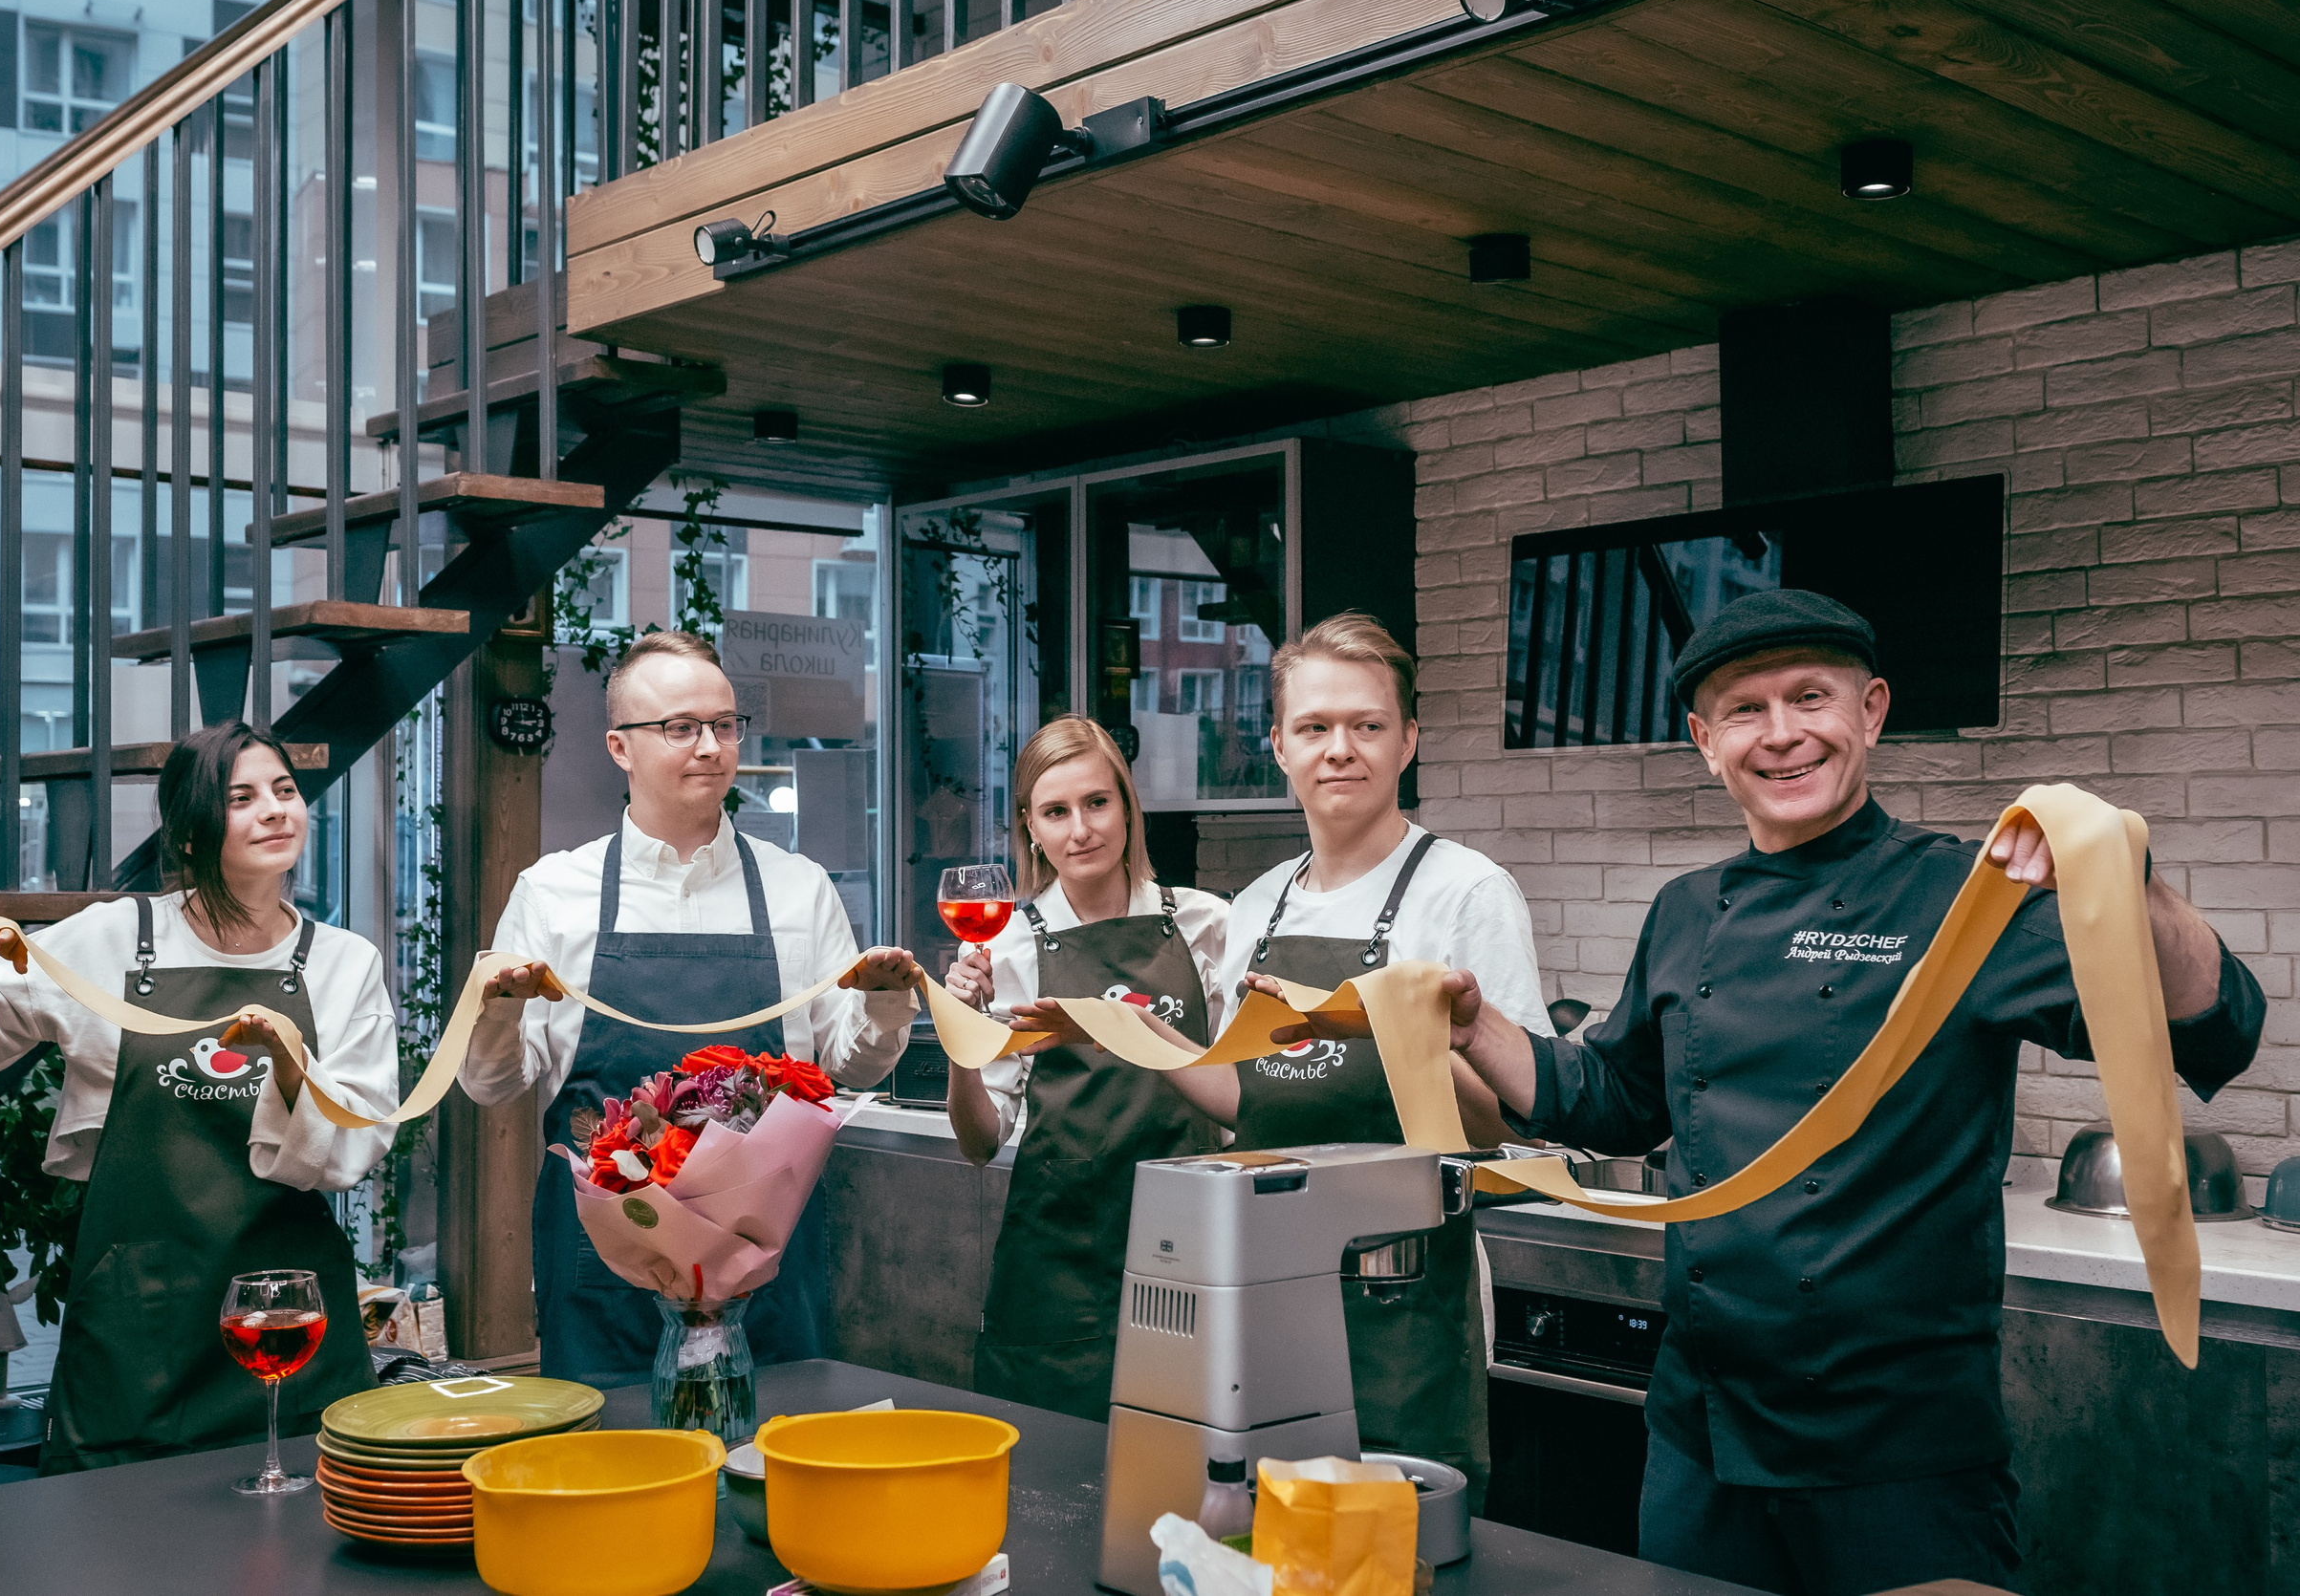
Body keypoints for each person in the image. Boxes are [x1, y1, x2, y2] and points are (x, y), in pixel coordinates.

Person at [1447, 589, 2266, 1596]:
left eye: (1809, 697)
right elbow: (1616, 1100)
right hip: (1699, 1441)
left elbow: (2218, 1028)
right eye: (1744, 710)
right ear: (1705, 740)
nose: (1781, 733)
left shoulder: (1964, 898)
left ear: (1870, 711)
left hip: (1899, 1455)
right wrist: (1469, 1026)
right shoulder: (1684, 909)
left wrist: (2124, 872)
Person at [0, 722, 399, 1473]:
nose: (277, 810)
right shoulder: (117, 939)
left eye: (285, 791)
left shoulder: (345, 962)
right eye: (242, 797)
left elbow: (357, 1139)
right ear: (189, 833)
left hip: (288, 1317)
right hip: (138, 1321)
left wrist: (289, 1065)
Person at [1159, 611, 1553, 1489]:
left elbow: (1515, 1126)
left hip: (1403, 1303)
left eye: (1367, 724)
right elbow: (1251, 1095)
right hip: (1266, 1290)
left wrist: (1395, 1031)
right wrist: (1143, 1043)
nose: (1341, 747)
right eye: (1315, 727)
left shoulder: (1468, 892)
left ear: (1407, 739)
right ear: (1280, 747)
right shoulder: (1257, 905)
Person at [465, 629, 920, 1387]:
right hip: (606, 1265)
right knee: (611, 1482)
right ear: (620, 747)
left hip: (766, 1260)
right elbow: (494, 1085)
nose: (711, 745)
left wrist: (885, 1008)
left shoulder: (797, 888)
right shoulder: (553, 892)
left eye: (725, 724)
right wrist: (501, 1011)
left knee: (769, 1476)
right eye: (681, 727)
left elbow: (847, 1065)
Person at [940, 716, 1227, 1421]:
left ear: (1129, 806)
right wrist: (960, 1043)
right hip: (1057, 1265)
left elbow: (1241, 1097)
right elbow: (980, 1144)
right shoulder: (1006, 943)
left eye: (1098, 803)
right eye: (1056, 812)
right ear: (1030, 828)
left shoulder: (1206, 925)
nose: (1080, 830)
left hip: (1192, 1250)